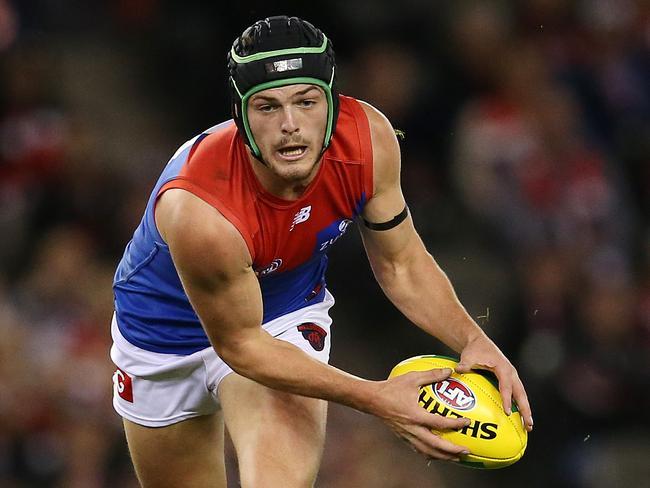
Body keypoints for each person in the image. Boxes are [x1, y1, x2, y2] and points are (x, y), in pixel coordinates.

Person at [110, 15, 533, 488]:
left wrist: (472, 338)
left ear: (332, 103)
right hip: (162, 336)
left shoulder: (369, 139)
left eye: (307, 101)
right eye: (267, 107)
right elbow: (240, 345)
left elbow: (401, 262)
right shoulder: (201, 212)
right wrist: (377, 397)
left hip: (282, 314)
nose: (290, 126)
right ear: (240, 116)